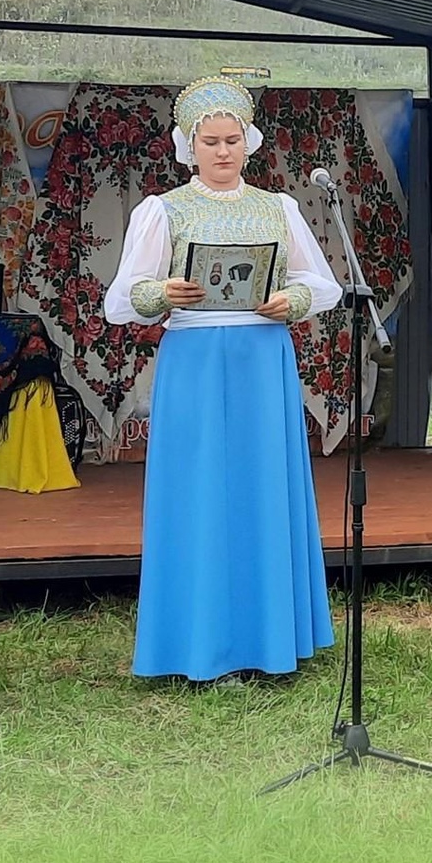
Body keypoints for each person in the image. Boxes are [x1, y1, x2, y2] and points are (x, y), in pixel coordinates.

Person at [105, 77, 342, 682]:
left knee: (264, 485)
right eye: (210, 141)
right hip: (195, 359)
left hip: (262, 356)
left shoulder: (278, 206)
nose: (222, 151)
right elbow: (121, 298)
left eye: (232, 139)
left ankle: (269, 640)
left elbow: (324, 285)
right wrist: (163, 292)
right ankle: (198, 642)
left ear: (248, 142)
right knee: (198, 488)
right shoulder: (161, 210)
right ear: (188, 145)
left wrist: (288, 300)